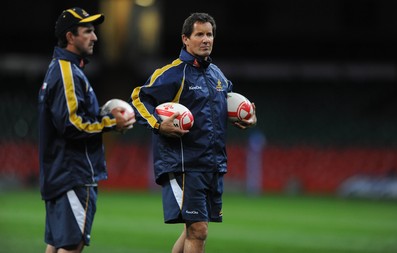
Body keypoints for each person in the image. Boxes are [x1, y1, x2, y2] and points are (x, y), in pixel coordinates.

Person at [129, 12, 257, 253]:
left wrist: (246, 116)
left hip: (213, 164)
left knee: (195, 229)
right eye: (199, 34)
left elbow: (230, 104)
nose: (206, 39)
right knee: (198, 230)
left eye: (209, 34)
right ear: (185, 39)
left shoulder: (217, 75)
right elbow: (138, 97)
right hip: (184, 164)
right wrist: (158, 124)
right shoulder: (173, 73)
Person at [38, 7, 135, 253]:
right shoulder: (67, 72)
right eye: (88, 31)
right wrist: (112, 123)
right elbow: (71, 123)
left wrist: (101, 114)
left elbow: (72, 117)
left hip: (62, 172)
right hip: (73, 173)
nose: (95, 37)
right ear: (70, 37)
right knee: (72, 245)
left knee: (58, 244)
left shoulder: (64, 69)